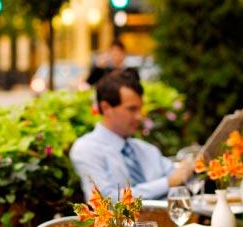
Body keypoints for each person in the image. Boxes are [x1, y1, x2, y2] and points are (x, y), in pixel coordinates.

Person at [70, 69, 194, 201]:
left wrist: (193, 167)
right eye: (131, 109)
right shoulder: (86, 149)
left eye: (140, 109)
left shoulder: (146, 149)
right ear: (106, 108)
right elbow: (106, 200)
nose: (139, 116)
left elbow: (178, 176)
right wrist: (166, 184)